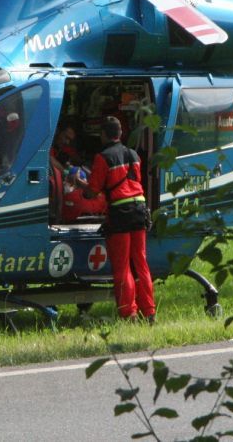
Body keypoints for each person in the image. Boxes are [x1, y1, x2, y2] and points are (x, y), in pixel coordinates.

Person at [83, 116, 155, 322]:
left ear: (103, 135)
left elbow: (92, 192)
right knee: (141, 262)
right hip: (140, 209)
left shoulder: (103, 157)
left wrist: (79, 183)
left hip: (120, 213)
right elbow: (135, 182)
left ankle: (128, 313)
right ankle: (149, 312)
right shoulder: (134, 155)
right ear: (120, 134)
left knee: (122, 266)